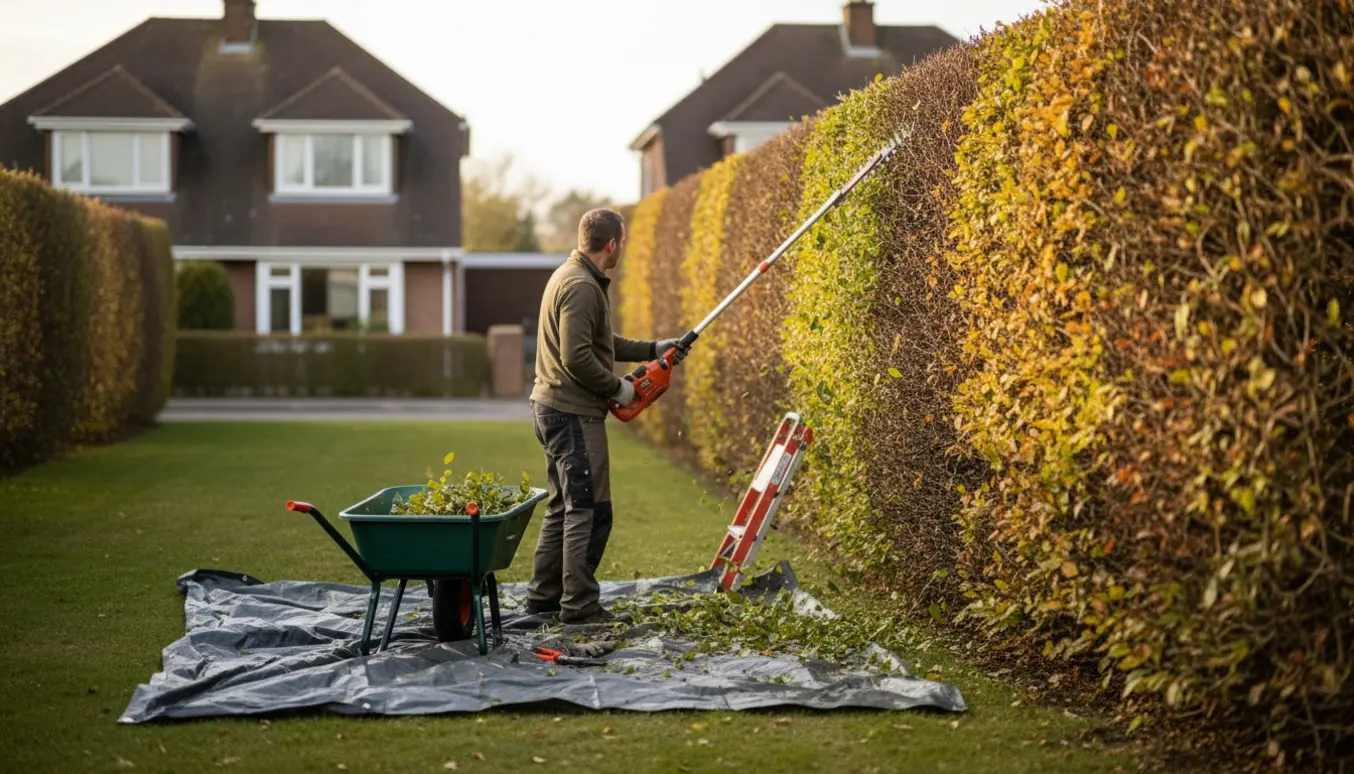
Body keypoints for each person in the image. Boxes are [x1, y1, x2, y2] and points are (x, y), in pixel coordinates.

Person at [524, 208, 686, 624]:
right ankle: (578, 606)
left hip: (553, 408)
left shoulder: (571, 276)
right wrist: (619, 388)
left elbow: (599, 341)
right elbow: (576, 357)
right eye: (622, 241)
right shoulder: (580, 286)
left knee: (563, 508)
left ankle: (544, 598)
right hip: (572, 413)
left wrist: (655, 350)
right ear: (611, 243)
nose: (623, 248)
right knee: (589, 510)